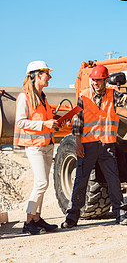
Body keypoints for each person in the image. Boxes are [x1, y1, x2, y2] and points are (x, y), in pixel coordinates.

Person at [61, 64, 127, 229]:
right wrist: (78, 143)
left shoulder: (112, 94)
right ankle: (71, 217)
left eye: (98, 80)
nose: (95, 83)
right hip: (87, 146)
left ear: (106, 80)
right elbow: (78, 122)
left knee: (113, 180)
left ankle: (121, 214)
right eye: (93, 80)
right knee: (80, 181)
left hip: (107, 145)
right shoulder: (84, 95)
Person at [14, 60, 60, 235]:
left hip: (47, 145)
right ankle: (28, 222)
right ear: (37, 75)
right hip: (34, 146)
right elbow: (20, 121)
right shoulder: (24, 97)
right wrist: (44, 123)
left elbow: (43, 120)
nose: (50, 77)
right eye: (47, 73)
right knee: (41, 183)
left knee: (42, 184)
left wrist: (53, 122)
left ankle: (37, 219)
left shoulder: (43, 98)